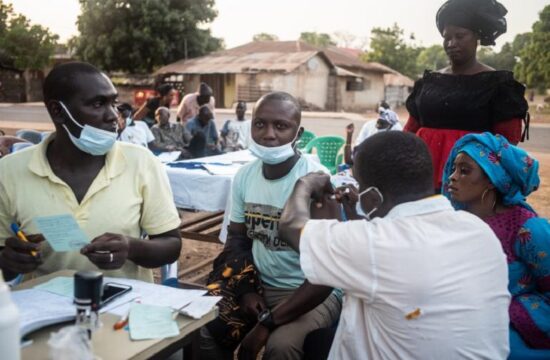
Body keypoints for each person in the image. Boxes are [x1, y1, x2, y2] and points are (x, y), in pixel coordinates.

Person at [278, 131, 511, 359]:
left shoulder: (378, 244)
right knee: (319, 341)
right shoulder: (479, 230)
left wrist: (305, 184)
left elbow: (290, 226)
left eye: (358, 184)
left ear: (373, 196)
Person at [0, 62, 182, 283]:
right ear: (58, 111)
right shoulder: (9, 172)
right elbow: (4, 254)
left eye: (113, 103)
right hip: (46, 310)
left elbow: (171, 245)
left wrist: (131, 248)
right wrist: (9, 262)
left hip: (126, 309)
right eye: (98, 104)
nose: (113, 116)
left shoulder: (141, 162)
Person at [200, 92, 341, 360]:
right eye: (260, 124)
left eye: (281, 126)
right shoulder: (245, 176)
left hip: (308, 290)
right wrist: (245, 289)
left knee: (282, 346)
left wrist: (267, 323)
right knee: (205, 328)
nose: (268, 134)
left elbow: (327, 270)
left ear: (297, 133)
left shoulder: (317, 182)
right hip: (259, 283)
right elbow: (237, 241)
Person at [443, 132, 550, 358]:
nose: (452, 177)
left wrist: (504, 310)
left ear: (493, 179)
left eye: (464, 171)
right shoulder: (455, 222)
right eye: (453, 169)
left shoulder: (528, 230)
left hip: (515, 337)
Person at [404, 0, 528, 191]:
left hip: (470, 185)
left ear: (476, 37)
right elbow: (410, 131)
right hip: (421, 176)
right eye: (447, 37)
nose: (452, 43)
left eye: (460, 36)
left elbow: (507, 141)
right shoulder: (428, 83)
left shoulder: (497, 85)